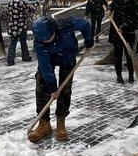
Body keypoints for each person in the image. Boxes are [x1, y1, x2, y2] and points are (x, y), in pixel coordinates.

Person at [28, 15, 93, 143]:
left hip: (67, 56)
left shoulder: (66, 23)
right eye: (42, 40)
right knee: (42, 84)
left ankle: (61, 121)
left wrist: (88, 40)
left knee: (65, 87)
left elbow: (85, 24)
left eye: (48, 38)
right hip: (49, 58)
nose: (46, 42)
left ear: (54, 30)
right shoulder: (40, 43)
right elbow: (46, 67)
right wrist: (52, 88)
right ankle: (44, 123)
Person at [108, 0, 136, 84]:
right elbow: (111, 6)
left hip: (128, 33)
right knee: (118, 56)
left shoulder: (133, 4)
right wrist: (109, 9)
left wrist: (123, 26)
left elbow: (133, 19)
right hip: (117, 34)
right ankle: (119, 76)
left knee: (130, 55)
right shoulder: (117, 1)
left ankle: (131, 75)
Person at [7, 0, 36, 66]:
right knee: (23, 42)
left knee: (13, 43)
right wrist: (36, 4)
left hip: (13, 27)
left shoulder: (10, 3)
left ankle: (10, 59)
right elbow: (31, 9)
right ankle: (25, 56)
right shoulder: (22, 3)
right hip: (21, 26)